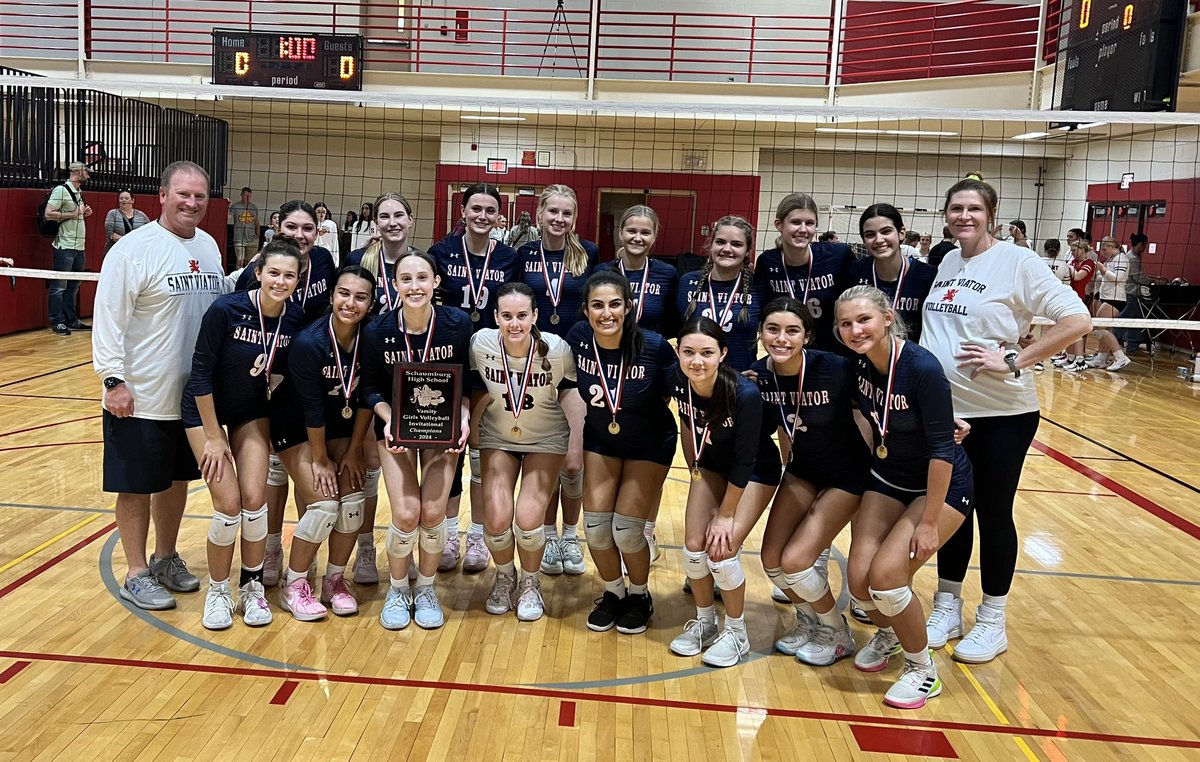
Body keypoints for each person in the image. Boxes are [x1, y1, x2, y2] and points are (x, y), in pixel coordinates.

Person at [921, 178, 1091, 665]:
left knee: (993, 513)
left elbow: (1078, 321)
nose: (964, 216)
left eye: (974, 209)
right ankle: (947, 606)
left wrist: (1015, 359)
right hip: (948, 414)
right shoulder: (948, 261)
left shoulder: (1019, 261)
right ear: (946, 214)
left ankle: (992, 620)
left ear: (991, 215)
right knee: (951, 510)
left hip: (1001, 415)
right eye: (956, 208)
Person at [92, 160, 224, 611]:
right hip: (139, 396)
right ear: (163, 195)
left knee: (176, 480)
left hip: (189, 399)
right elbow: (108, 319)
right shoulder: (133, 250)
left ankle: (165, 557)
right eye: (183, 194)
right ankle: (135, 572)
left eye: (200, 196)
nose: (192, 203)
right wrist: (113, 380)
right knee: (136, 486)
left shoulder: (208, 245)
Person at [835, 285, 974, 709]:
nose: (856, 330)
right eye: (846, 324)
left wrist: (929, 523)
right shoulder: (859, 364)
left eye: (864, 320)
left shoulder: (921, 368)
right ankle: (890, 634)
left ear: (888, 318)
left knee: (888, 577)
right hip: (889, 475)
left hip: (939, 484)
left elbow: (942, 451)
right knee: (859, 585)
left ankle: (922, 669)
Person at [181, 238, 306, 629]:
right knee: (229, 504)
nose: (280, 281)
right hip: (206, 412)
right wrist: (213, 436)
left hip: (251, 411)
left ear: (298, 279)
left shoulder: (295, 317)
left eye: (289, 275)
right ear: (258, 272)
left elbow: (285, 369)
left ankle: (252, 587)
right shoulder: (226, 310)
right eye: (274, 273)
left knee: (254, 500)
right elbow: (200, 373)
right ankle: (218, 591)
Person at [751, 298, 870, 666]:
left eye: (792, 331)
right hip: (802, 471)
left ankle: (837, 632)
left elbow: (881, 401)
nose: (781, 338)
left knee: (797, 562)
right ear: (761, 333)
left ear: (807, 336)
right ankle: (810, 620)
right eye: (773, 329)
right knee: (771, 560)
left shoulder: (836, 368)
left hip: (846, 476)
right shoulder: (757, 377)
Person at [360, 250, 472, 630]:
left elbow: (468, 381)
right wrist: (390, 420)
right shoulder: (377, 330)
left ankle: (425, 588)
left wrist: (464, 415)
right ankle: (396, 590)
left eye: (422, 278)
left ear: (435, 282)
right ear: (394, 285)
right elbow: (370, 388)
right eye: (405, 279)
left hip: (443, 429)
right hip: (396, 429)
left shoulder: (457, 324)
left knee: (433, 513)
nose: (414, 286)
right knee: (407, 514)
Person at [566, 271, 677, 633]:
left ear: (629, 307)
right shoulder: (579, 338)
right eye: (597, 305)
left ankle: (640, 595)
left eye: (614, 304)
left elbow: (672, 393)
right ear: (586, 310)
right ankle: (614, 592)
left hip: (649, 444)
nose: (606, 313)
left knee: (627, 531)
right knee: (597, 530)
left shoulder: (654, 346)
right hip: (602, 440)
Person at [669, 316, 781, 668]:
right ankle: (705, 622)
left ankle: (736, 633)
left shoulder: (744, 395)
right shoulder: (677, 381)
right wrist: (694, 467)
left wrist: (726, 514)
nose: (696, 361)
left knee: (721, 550)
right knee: (693, 548)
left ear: (723, 354)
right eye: (688, 352)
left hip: (754, 472)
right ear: (678, 352)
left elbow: (746, 460)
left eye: (706, 353)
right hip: (711, 466)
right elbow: (686, 423)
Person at [241, 201, 339, 586]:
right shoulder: (256, 270)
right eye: (292, 227)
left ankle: (305, 554)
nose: (300, 235)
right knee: (273, 468)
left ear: (318, 231)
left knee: (305, 468)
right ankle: (271, 548)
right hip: (269, 376)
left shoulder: (325, 262)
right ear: (276, 227)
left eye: (308, 228)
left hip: (310, 378)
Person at [273, 265, 376, 621]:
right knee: (324, 506)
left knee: (353, 502)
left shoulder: (370, 339)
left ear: (370, 303)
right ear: (331, 296)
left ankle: (334, 580)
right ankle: (295, 585)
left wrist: (354, 451)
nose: (350, 303)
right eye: (343, 294)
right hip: (296, 426)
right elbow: (311, 408)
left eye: (360, 297)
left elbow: (367, 397)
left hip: (341, 425)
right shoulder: (309, 342)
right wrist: (320, 459)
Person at [428, 183, 521, 575]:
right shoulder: (441, 252)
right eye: (476, 209)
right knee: (449, 449)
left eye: (490, 210)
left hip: (489, 362)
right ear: (463, 212)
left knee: (482, 453)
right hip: (447, 361)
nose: (482, 216)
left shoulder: (509, 257)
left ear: (500, 216)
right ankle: (449, 534)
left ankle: (479, 536)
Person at [471, 282, 576, 621]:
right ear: (495, 317)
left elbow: (571, 393)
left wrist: (576, 444)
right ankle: (505, 576)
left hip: (545, 437)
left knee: (529, 519)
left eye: (521, 316)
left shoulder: (557, 350)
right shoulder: (480, 344)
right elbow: (471, 387)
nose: (514, 324)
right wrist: (470, 427)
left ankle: (531, 583)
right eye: (506, 316)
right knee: (496, 518)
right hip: (499, 437)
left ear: (534, 316)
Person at [516, 184, 598, 577]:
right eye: (553, 212)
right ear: (539, 214)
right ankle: (548, 536)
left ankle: (569, 535)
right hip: (534, 368)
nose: (559, 219)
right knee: (545, 457)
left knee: (573, 463)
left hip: (575, 366)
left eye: (567, 213)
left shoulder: (588, 254)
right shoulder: (524, 255)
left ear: (574, 217)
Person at [343, 192, 422, 584]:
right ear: (375, 222)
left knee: (409, 466)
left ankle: (411, 549)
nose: (392, 222)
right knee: (370, 463)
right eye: (385, 216)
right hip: (367, 369)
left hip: (413, 376)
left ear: (410, 220)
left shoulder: (420, 264)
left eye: (399, 215)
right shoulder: (359, 261)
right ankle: (365, 549)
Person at [755, 193, 854, 352]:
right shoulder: (767, 262)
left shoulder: (838, 255)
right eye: (795, 222)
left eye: (809, 223)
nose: (803, 229)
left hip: (833, 352)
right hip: (787, 350)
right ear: (779, 225)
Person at [678, 215, 767, 371]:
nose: (726, 249)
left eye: (736, 244)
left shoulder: (758, 286)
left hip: (740, 378)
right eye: (720, 242)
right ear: (711, 245)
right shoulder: (687, 282)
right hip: (696, 376)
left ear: (747, 251)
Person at [849, 204, 937, 342]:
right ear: (864, 240)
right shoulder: (853, 272)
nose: (879, 240)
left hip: (911, 353)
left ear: (901, 233)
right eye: (870, 234)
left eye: (886, 231)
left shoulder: (928, 276)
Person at [599, 205, 680, 337]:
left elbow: (672, 323)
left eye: (645, 233)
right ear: (621, 233)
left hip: (650, 347)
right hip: (608, 346)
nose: (637, 238)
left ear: (654, 237)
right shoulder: (602, 272)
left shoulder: (667, 274)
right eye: (631, 231)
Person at [45, 161, 93, 335]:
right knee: (59, 286)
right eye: (86, 172)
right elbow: (48, 214)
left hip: (79, 246)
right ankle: (57, 321)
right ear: (78, 172)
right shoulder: (61, 190)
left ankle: (71, 319)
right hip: (65, 246)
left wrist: (84, 213)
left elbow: (75, 216)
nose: (88, 175)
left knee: (74, 286)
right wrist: (74, 214)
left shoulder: (78, 192)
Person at [1088, 236, 1133, 371]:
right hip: (1106, 297)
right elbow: (1104, 277)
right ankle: (1101, 358)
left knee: (1098, 327)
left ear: (1112, 246)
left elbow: (1118, 278)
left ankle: (1121, 357)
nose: (1102, 251)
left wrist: (1103, 269)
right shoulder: (1111, 259)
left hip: (1115, 299)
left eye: (1104, 248)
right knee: (1106, 329)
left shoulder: (1121, 259)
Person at [1052, 239, 1097, 372]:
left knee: (1076, 329)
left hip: (1079, 298)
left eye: (1074, 250)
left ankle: (1080, 360)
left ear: (1082, 250)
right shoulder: (1073, 262)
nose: (1072, 253)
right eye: (1071, 250)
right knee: (1068, 329)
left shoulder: (1089, 263)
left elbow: (1077, 276)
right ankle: (1070, 357)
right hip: (1069, 296)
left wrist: (1067, 267)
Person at [1117, 233, 1149, 355]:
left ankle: (1132, 346)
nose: (1145, 247)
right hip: (1131, 293)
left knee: (1135, 319)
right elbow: (1138, 277)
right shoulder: (1132, 258)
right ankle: (1114, 343)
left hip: (1131, 293)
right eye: (1145, 244)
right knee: (1125, 319)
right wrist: (1154, 281)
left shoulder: (1130, 256)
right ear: (1140, 244)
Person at [229, 186, 260, 269]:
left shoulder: (254, 207)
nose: (247, 198)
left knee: (250, 262)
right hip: (239, 238)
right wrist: (227, 206)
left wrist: (257, 237)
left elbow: (257, 223)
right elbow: (228, 217)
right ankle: (239, 276)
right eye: (246, 195)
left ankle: (248, 276)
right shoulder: (235, 206)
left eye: (249, 196)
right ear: (241, 195)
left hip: (252, 239)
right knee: (240, 261)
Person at [315, 201, 340, 265]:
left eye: (323, 212)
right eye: (318, 212)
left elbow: (335, 242)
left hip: (327, 254)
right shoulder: (311, 223)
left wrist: (336, 261)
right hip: (313, 253)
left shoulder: (331, 224)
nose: (321, 214)